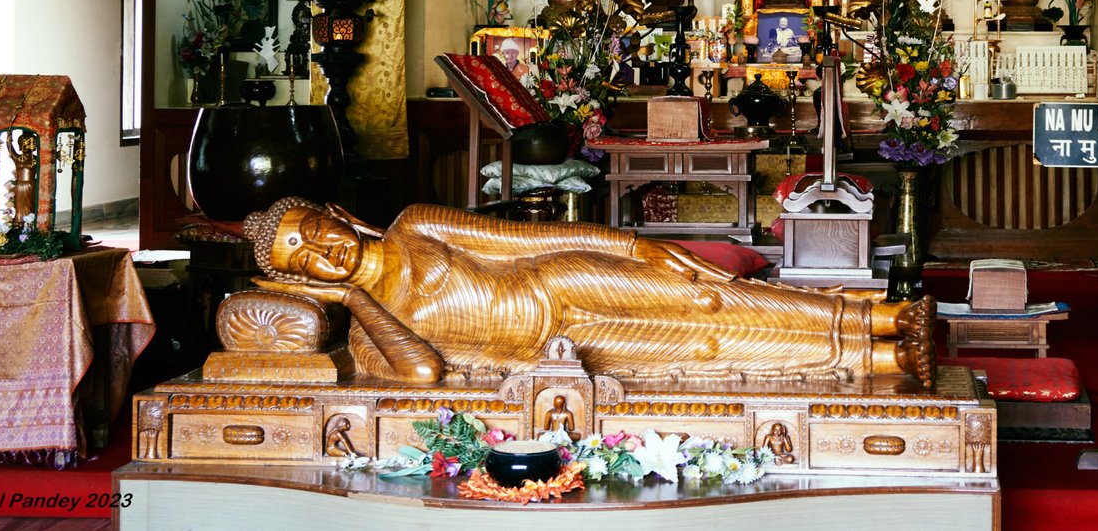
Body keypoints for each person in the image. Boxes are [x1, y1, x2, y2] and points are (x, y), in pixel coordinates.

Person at [245, 198, 935, 386]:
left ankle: (880, 313)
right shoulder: (370, 334)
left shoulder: (414, 225)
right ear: (302, 280)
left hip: (558, 277)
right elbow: (424, 370)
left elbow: (518, 240)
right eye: (301, 258)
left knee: (705, 295)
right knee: (702, 350)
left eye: (310, 229)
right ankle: (878, 359)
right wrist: (353, 300)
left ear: (333, 213)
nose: (320, 249)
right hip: (554, 347)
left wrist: (637, 245)